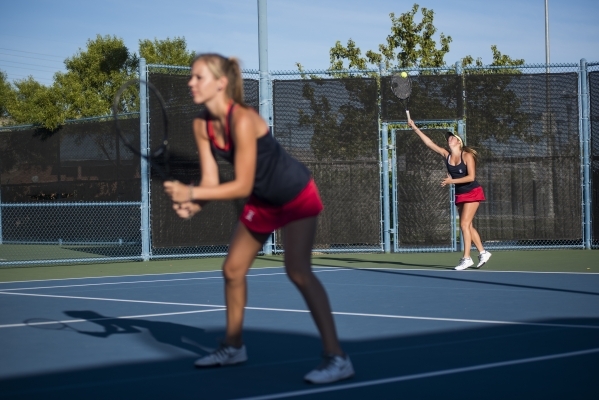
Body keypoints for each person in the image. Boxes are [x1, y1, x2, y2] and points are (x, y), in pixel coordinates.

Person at [163, 53, 354, 384]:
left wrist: (192, 195)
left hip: (296, 194)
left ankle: (337, 358)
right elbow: (210, 182)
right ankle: (233, 346)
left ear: (221, 83)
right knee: (232, 269)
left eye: (198, 77)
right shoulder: (201, 125)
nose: (190, 83)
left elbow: (242, 183)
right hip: (263, 201)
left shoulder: (244, 119)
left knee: (298, 271)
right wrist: (196, 204)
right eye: (191, 77)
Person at [407, 119, 492, 271]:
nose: (449, 139)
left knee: (464, 224)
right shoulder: (446, 155)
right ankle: (483, 252)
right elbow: (429, 143)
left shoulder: (467, 156)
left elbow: (471, 177)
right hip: (460, 194)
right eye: (448, 138)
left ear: (459, 142)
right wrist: (414, 128)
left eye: (452, 137)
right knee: (468, 225)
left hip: (473, 192)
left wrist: (451, 181)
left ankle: (466, 258)